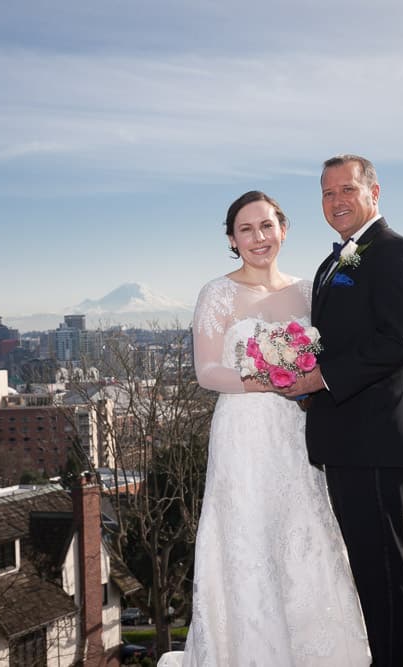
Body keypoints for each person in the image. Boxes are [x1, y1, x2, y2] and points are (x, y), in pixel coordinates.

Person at [158, 191, 370, 667]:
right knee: (247, 534)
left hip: (298, 431)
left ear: (284, 229)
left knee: (304, 529)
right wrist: (264, 378)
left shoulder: (309, 290)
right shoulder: (218, 293)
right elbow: (207, 372)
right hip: (243, 432)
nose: (259, 238)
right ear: (232, 239)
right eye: (246, 229)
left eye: (267, 226)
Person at [283, 154, 403, 666]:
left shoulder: (395, 253)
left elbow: (400, 340)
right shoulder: (334, 262)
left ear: (374, 192)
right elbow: (336, 341)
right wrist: (293, 373)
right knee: (370, 573)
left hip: (375, 442)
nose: (336, 201)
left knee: (385, 575)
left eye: (346, 189)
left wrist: (319, 377)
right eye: (327, 193)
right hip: (344, 441)